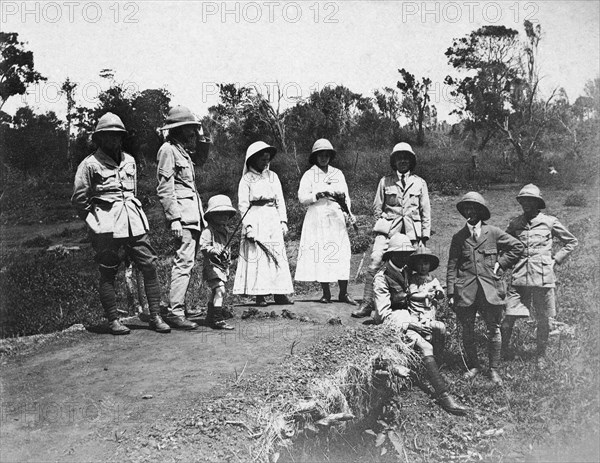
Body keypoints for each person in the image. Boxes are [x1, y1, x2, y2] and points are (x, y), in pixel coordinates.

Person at [72, 112, 171, 335]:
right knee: (108, 271)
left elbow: (131, 193)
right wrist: (94, 223)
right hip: (106, 225)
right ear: (99, 139)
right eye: (108, 136)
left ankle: (155, 316)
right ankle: (113, 320)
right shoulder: (89, 165)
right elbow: (79, 200)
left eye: (117, 136)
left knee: (149, 265)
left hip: (133, 221)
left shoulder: (130, 161)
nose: (113, 140)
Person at [373, 234, 467, 416]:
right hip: (397, 321)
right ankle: (443, 395)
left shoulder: (407, 270)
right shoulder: (382, 278)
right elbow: (383, 314)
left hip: (413, 316)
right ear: (390, 255)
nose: (405, 257)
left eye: (407, 253)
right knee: (425, 345)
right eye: (400, 253)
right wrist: (411, 325)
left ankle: (431, 371)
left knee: (439, 330)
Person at [446, 192, 524, 386]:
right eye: (466, 209)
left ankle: (493, 369)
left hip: (490, 289)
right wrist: (450, 293)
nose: (470, 212)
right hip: (466, 290)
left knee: (493, 328)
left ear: (481, 211)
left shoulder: (494, 232)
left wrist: (500, 264)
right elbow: (451, 266)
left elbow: (517, 246)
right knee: (467, 330)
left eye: (474, 209)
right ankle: (474, 366)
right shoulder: (459, 237)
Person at [502, 184, 578, 367]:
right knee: (509, 316)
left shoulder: (549, 221)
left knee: (543, 317)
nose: (526, 204)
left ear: (538, 203)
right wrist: (503, 261)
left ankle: (540, 355)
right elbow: (503, 242)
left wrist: (555, 259)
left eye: (530, 200)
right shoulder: (515, 224)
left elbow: (572, 241)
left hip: (543, 277)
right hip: (519, 277)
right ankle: (503, 352)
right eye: (523, 200)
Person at [352, 142, 431, 318]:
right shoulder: (385, 181)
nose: (403, 161)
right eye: (399, 158)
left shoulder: (419, 183)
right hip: (389, 230)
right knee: (375, 260)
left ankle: (413, 303)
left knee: (413, 265)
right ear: (394, 161)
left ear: (411, 161)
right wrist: (382, 226)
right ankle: (367, 302)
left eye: (406, 158)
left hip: (412, 231)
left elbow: (426, 211)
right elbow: (377, 208)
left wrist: (423, 236)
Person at [156, 106, 206, 330]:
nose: (193, 133)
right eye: (189, 129)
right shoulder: (168, 150)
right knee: (183, 263)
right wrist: (173, 218)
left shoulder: (182, 151)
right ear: (178, 130)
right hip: (183, 217)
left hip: (193, 215)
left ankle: (179, 306)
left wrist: (202, 136)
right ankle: (176, 311)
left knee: (188, 263)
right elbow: (165, 188)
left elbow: (203, 156)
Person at [295, 139, 357, 305]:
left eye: (326, 155)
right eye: (320, 155)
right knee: (323, 253)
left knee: (341, 253)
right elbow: (302, 197)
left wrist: (348, 213)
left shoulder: (338, 174)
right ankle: (326, 293)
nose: (323, 158)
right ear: (315, 157)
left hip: (336, 216)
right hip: (318, 217)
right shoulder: (309, 175)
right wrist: (317, 195)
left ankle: (343, 293)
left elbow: (346, 197)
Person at [232, 141, 294, 306]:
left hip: (272, 218)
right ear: (252, 160)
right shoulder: (246, 180)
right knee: (258, 257)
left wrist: (283, 221)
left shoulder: (273, 176)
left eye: (267, 159)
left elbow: (280, 200)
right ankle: (260, 294)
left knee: (276, 255)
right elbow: (243, 205)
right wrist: (249, 227)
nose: (265, 162)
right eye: (262, 159)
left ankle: (279, 293)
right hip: (256, 218)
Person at [199, 195, 237, 330]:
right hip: (212, 266)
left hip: (222, 267)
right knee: (220, 290)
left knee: (215, 292)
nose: (224, 217)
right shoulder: (208, 231)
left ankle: (210, 316)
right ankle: (218, 319)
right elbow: (204, 247)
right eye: (220, 215)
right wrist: (214, 251)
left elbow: (227, 248)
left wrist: (228, 257)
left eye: (226, 215)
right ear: (211, 216)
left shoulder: (225, 231)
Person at [407, 246, 446, 358]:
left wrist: (438, 293)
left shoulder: (433, 279)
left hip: (429, 314)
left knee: (440, 328)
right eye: (419, 264)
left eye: (425, 264)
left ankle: (439, 354)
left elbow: (440, 292)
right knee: (422, 335)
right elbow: (412, 295)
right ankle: (422, 357)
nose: (423, 267)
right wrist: (425, 295)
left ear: (430, 265)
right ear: (415, 266)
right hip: (416, 314)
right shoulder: (414, 279)